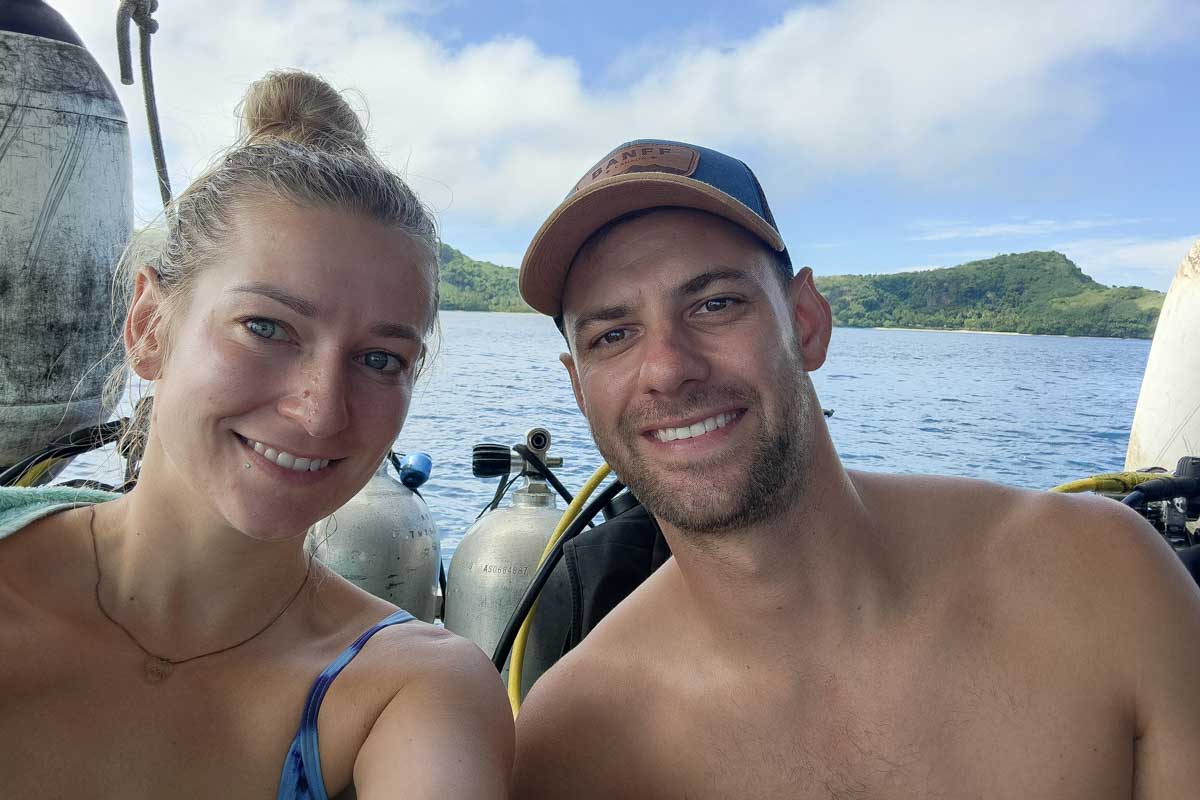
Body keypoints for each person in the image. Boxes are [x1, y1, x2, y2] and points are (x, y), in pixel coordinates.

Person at [511, 139, 1200, 798]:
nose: (667, 368)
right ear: (578, 389)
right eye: (613, 335)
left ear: (805, 322)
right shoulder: (574, 743)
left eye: (715, 303)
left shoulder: (1099, 578)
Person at [0, 71, 512, 799]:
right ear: (149, 325)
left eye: (379, 359)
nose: (320, 412)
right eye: (266, 328)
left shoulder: (406, 690)